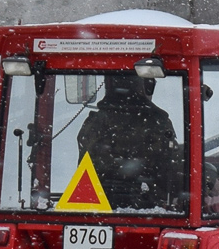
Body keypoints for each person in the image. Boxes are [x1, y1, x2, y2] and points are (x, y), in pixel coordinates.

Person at [77, 73, 183, 210]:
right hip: (148, 210)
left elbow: (85, 165)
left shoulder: (95, 122)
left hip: (98, 206)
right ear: (145, 87)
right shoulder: (158, 124)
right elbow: (169, 169)